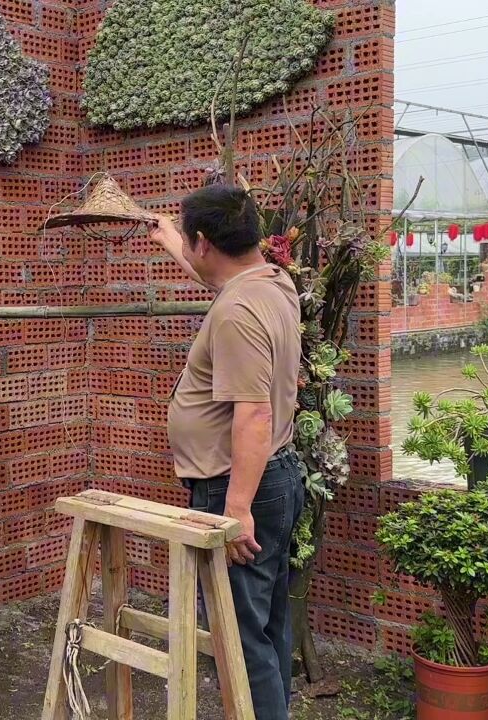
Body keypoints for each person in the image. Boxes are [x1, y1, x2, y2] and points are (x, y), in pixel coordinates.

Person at [150, 184, 304, 719]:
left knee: (239, 640)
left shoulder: (237, 312)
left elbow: (254, 415)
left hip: (238, 489)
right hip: (277, 480)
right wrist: (170, 238)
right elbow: (216, 274)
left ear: (205, 242)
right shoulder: (272, 282)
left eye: (189, 239)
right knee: (268, 626)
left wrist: (235, 510)